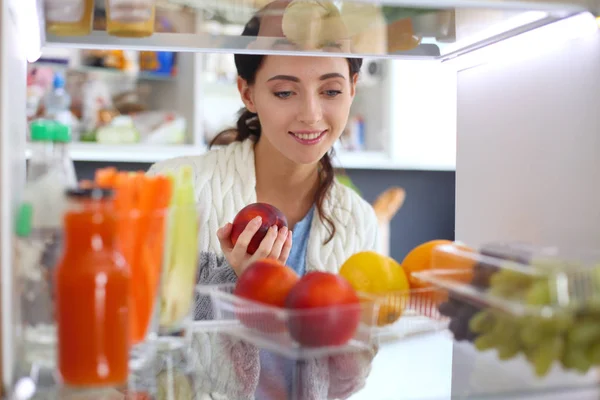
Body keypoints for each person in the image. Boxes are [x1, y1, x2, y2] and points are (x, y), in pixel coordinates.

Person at [147, 1, 379, 399]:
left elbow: (347, 384)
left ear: (353, 89)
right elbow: (142, 340)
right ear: (247, 92)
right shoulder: (174, 185)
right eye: (285, 91)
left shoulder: (356, 219)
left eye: (331, 90)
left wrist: (348, 334)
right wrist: (234, 291)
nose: (311, 114)